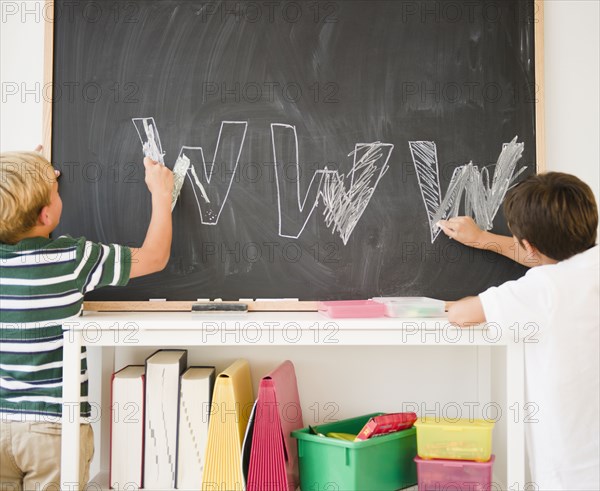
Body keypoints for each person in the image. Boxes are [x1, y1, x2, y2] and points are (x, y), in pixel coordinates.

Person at [0, 150, 173, 490]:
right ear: (46, 214)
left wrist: (27, 177)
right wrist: (161, 194)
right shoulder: (72, 259)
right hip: (54, 432)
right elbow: (154, 257)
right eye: (56, 191)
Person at [439, 172, 599, 489]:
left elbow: (461, 314)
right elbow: (550, 262)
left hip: (570, 468)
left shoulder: (541, 289)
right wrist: (481, 238)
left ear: (527, 244)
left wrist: (471, 301)